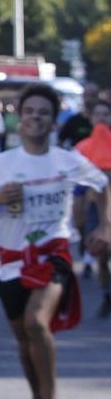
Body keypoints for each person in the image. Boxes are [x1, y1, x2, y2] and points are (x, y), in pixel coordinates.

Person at [0, 83, 110, 399]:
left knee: (35, 322)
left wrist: (106, 225)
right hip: (12, 263)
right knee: (25, 342)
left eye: (43, 113)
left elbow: (103, 183)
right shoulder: (1, 165)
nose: (35, 118)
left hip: (53, 255)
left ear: (53, 120)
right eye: (29, 112)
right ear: (20, 119)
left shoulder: (66, 160)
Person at [74, 98, 111, 317]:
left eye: (105, 115)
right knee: (101, 254)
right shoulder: (82, 149)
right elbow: (78, 189)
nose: (101, 119)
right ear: (90, 117)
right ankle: (107, 295)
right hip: (95, 210)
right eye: (97, 115)